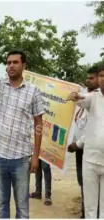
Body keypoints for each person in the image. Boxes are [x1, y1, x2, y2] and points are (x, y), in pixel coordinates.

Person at [0, 50, 44, 219]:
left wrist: (35, 156)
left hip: (21, 158)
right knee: (1, 205)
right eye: (8, 63)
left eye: (15, 62)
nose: (11, 65)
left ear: (24, 66)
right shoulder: (1, 84)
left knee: (22, 207)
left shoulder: (33, 91)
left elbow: (39, 123)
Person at [67, 65, 104, 219]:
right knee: (89, 208)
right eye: (101, 75)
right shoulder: (93, 97)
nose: (103, 79)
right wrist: (76, 96)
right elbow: (83, 99)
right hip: (90, 160)